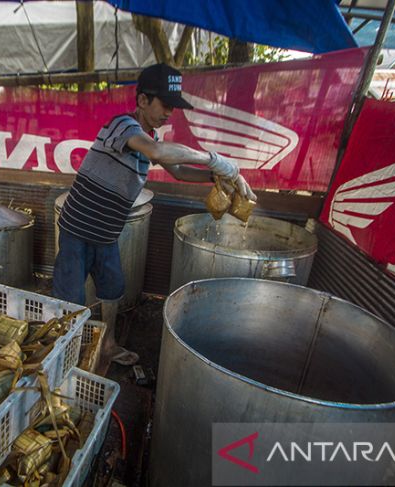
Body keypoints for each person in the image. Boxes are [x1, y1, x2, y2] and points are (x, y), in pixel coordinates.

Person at [53, 63, 256, 366]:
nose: (168, 112)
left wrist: (216, 178)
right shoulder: (122, 127)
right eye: (164, 104)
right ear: (143, 100)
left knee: (112, 290)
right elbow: (158, 154)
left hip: (106, 234)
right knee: (69, 300)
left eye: (173, 106)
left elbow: (178, 169)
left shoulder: (151, 138)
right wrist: (214, 160)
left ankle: (107, 344)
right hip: (77, 229)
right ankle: (63, 358)